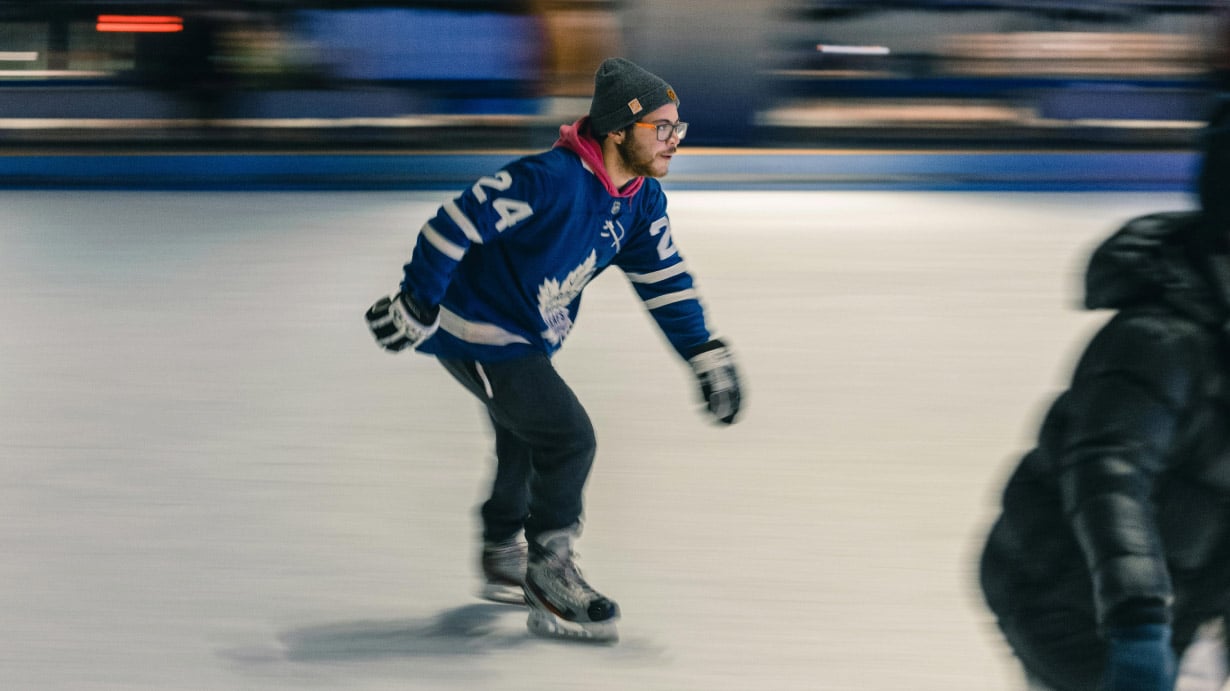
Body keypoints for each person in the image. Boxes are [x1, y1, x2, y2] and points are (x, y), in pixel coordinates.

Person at [364, 57, 742, 643]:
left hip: (527, 334)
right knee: (567, 437)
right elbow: (451, 225)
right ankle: (548, 570)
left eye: (678, 128)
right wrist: (417, 305)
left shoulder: (638, 201)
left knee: (525, 436)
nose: (674, 140)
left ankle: (500, 551)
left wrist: (705, 352)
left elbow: (665, 280)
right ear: (618, 130)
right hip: (479, 334)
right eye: (661, 128)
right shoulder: (549, 181)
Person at [978, 100, 1230, 691]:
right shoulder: (1161, 339)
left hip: (1176, 600)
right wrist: (1138, 627)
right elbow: (1107, 475)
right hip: (1073, 603)